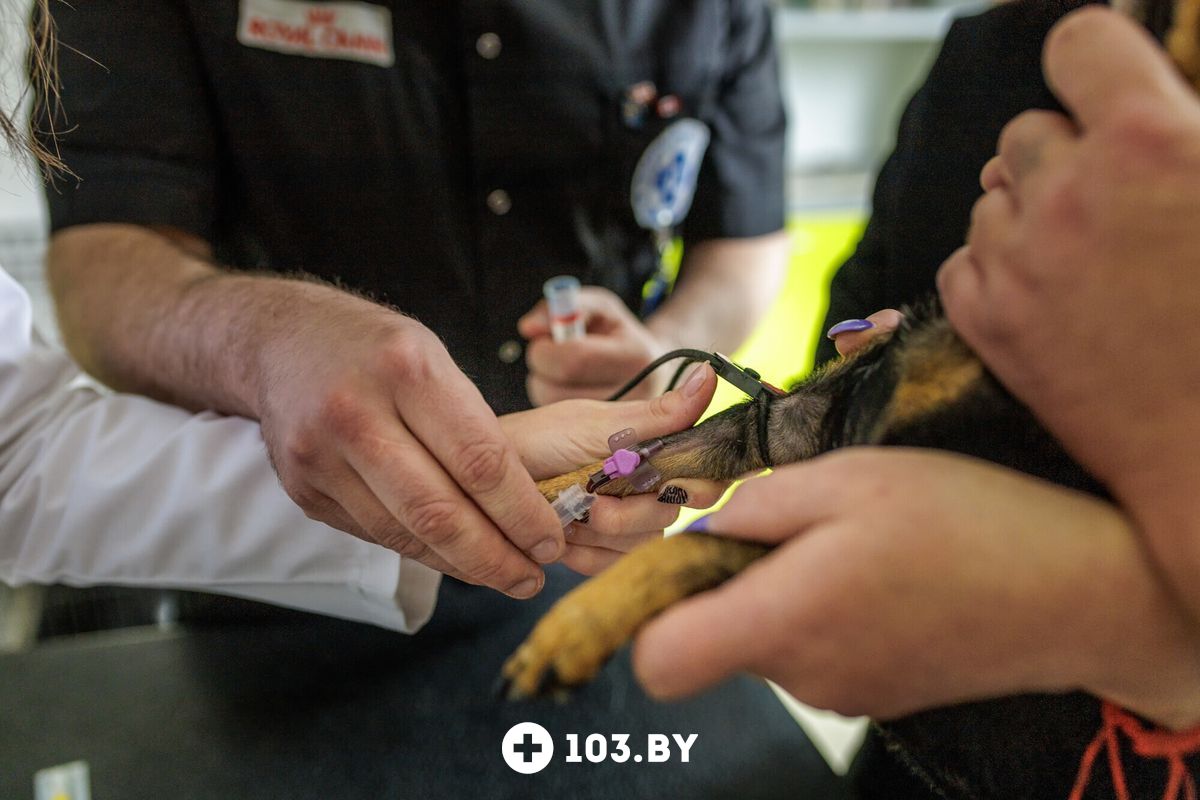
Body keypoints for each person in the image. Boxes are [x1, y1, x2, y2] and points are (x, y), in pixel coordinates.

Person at [32, 0, 789, 597]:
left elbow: (746, 241)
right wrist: (268, 339)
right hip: (274, 553)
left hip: (594, 542)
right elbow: (100, 261)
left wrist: (665, 347)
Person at [632, 4, 1200, 797]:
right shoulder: (993, 51)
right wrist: (878, 396)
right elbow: (862, 313)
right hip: (929, 754)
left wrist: (1112, 618)